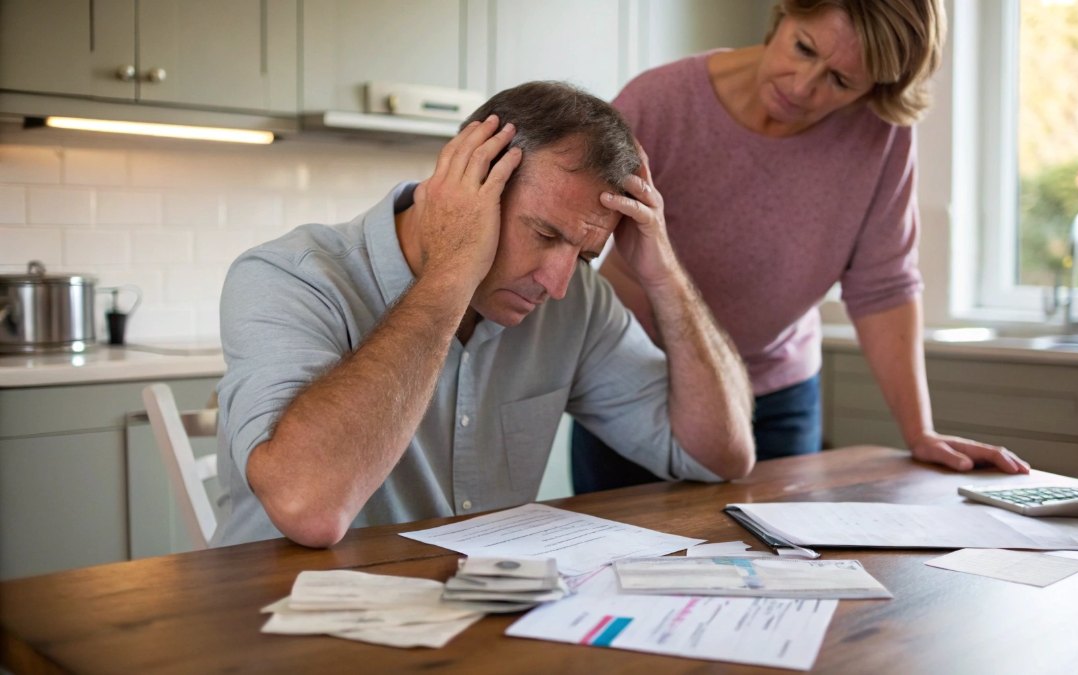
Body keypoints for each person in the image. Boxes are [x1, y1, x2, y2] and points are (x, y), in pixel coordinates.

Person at [211, 81, 755, 548]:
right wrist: (452, 271)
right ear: (464, 188)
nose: (558, 284)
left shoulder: (576, 305)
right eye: (544, 234)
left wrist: (664, 277)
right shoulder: (288, 277)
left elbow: (720, 456)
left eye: (586, 256)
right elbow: (310, 509)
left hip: (465, 621)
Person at [571, 0, 1030, 494]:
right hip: (639, 382)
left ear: (873, 88)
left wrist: (919, 432)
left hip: (777, 388)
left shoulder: (880, 134)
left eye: (841, 81)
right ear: (785, 13)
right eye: (804, 48)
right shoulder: (661, 101)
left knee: (782, 561)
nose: (802, 87)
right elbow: (575, 233)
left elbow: (884, 285)